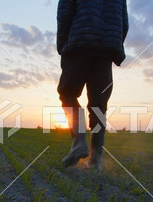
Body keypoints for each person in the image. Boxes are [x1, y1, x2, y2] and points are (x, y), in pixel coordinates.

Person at [56, 0, 128, 170]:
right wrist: (112, 44)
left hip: (79, 45)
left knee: (67, 92)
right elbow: (124, 22)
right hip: (106, 51)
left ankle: (78, 142)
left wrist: (62, 47)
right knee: (99, 105)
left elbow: (64, 15)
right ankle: (95, 161)